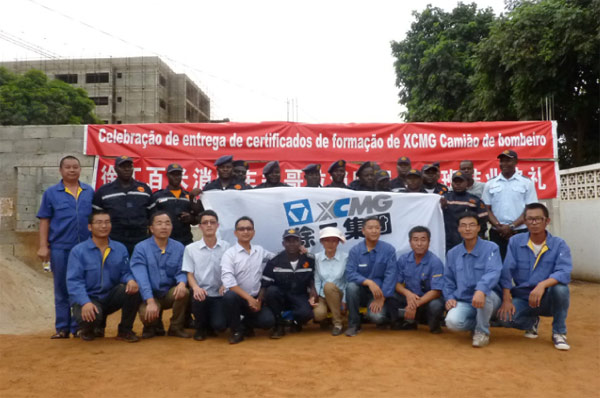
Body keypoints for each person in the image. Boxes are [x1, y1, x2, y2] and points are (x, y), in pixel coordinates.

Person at [497, 203, 572, 350]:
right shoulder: (515, 242)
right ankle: (531, 322)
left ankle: (559, 332)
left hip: (548, 298)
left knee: (561, 289)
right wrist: (506, 299)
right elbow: (507, 271)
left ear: (547, 221)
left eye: (538, 219)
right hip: (524, 297)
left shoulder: (559, 244)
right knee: (504, 319)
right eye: (530, 219)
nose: (534, 223)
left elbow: (564, 271)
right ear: (525, 222)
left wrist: (542, 285)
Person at [37, 155, 94, 339]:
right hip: (61, 247)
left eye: (75, 167)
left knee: (81, 286)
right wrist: (43, 246)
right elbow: (45, 220)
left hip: (84, 248)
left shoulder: (89, 191)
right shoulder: (51, 193)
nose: (72, 170)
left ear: (80, 170)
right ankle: (62, 327)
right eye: (68, 167)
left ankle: (78, 326)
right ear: (60, 170)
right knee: (61, 287)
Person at [66, 211, 141, 342]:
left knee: (133, 290)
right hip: (89, 298)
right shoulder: (78, 251)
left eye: (107, 222)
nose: (104, 226)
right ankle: (89, 329)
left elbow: (125, 272)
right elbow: (74, 281)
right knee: (91, 316)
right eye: (99, 222)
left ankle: (125, 330)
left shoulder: (120, 248)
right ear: (90, 227)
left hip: (110, 297)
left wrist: (130, 280)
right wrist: (85, 302)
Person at [444, 212, 502, 348]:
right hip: (465, 299)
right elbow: (448, 279)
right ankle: (479, 323)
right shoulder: (452, 253)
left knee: (484, 293)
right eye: (463, 226)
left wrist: (481, 289)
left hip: (490, 299)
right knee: (452, 322)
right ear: (458, 229)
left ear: (478, 228)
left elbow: (493, 272)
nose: (467, 229)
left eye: (471, 225)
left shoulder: (491, 248)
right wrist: (449, 297)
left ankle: (482, 332)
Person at [130, 211, 191, 339]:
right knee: (147, 314)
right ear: (151, 229)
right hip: (150, 295)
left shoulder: (179, 247)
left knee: (183, 292)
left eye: (167, 223)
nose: (164, 227)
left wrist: (181, 283)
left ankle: (176, 327)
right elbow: (142, 278)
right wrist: (150, 301)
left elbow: (182, 270)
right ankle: (151, 326)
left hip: (169, 293)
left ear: (172, 227)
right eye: (159, 223)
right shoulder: (141, 248)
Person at [221, 216, 276, 344]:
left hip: (256, 298)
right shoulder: (230, 254)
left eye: (248, 229)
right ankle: (236, 330)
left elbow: (276, 259)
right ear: (235, 233)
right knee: (229, 296)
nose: (245, 232)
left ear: (253, 232)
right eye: (241, 229)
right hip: (238, 299)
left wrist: (298, 251)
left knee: (268, 322)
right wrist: (249, 299)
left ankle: (245, 324)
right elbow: (229, 283)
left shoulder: (260, 250)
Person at [182, 210, 230, 341]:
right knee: (197, 296)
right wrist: (196, 288)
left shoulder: (227, 247)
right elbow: (189, 273)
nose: (209, 225)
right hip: (201, 293)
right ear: (200, 226)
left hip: (219, 294)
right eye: (205, 223)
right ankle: (200, 328)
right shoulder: (190, 249)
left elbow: (231, 271)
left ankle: (211, 324)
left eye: (212, 222)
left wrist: (226, 284)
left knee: (220, 326)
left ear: (217, 226)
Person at [345, 216, 397, 336]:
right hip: (361, 292)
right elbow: (350, 273)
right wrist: (368, 282)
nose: (374, 231)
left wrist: (382, 297)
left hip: (380, 293)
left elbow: (391, 275)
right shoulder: (355, 251)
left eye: (377, 228)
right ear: (363, 231)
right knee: (351, 287)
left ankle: (384, 318)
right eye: (370, 228)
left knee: (377, 317)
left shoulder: (389, 250)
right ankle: (354, 325)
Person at [482, 149, 538, 260]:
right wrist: (499, 226)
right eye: (502, 161)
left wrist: (511, 226)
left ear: (516, 162)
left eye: (508, 160)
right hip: (497, 232)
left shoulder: (526, 182)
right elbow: (486, 208)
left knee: (522, 265)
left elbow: (530, 209)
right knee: (498, 266)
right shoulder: (490, 183)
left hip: (520, 231)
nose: (504, 164)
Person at [387, 226, 444, 333]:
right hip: (410, 298)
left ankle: (433, 325)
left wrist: (415, 304)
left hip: (427, 300)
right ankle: (405, 322)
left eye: (423, 240)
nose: (419, 244)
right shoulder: (404, 259)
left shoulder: (435, 262)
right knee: (391, 294)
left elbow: (436, 291)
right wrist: (408, 294)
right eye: (415, 240)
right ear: (410, 242)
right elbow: (396, 283)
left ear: (429, 242)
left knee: (436, 305)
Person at [262, 229, 317, 339]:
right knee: (271, 291)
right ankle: (279, 325)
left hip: (299, 295)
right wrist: (259, 301)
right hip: (280, 296)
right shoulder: (275, 261)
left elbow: (312, 279)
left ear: (301, 242)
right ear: (283, 243)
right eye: (288, 241)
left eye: (295, 241)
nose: (292, 244)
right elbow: (265, 284)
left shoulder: (309, 259)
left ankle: (295, 322)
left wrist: (313, 293)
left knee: (307, 313)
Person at [93, 156, 152, 256]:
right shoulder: (104, 191)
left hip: (141, 240)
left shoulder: (144, 189)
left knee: (139, 269)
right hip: (114, 240)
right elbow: (95, 216)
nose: (126, 169)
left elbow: (153, 215)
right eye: (122, 166)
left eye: (129, 166)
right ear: (115, 169)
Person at [149, 163, 202, 246]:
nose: (176, 177)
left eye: (178, 174)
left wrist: (190, 218)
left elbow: (197, 220)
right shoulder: (158, 196)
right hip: (163, 241)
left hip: (185, 241)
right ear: (167, 175)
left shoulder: (188, 196)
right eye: (173, 174)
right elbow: (150, 220)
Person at [313, 227, 348, 336]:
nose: (330, 244)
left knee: (328, 286)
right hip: (323, 295)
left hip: (339, 294)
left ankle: (338, 324)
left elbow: (348, 281)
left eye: (334, 241)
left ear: (338, 242)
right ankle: (326, 320)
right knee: (318, 314)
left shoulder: (345, 258)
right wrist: (316, 297)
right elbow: (317, 279)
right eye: (327, 240)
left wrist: (345, 299)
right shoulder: (317, 258)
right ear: (322, 242)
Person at [441, 171, 488, 251]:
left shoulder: (475, 201)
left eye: (461, 181)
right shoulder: (444, 199)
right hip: (447, 242)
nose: (458, 184)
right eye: (455, 182)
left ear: (467, 183)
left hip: (469, 242)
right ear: (451, 183)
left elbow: (482, 223)